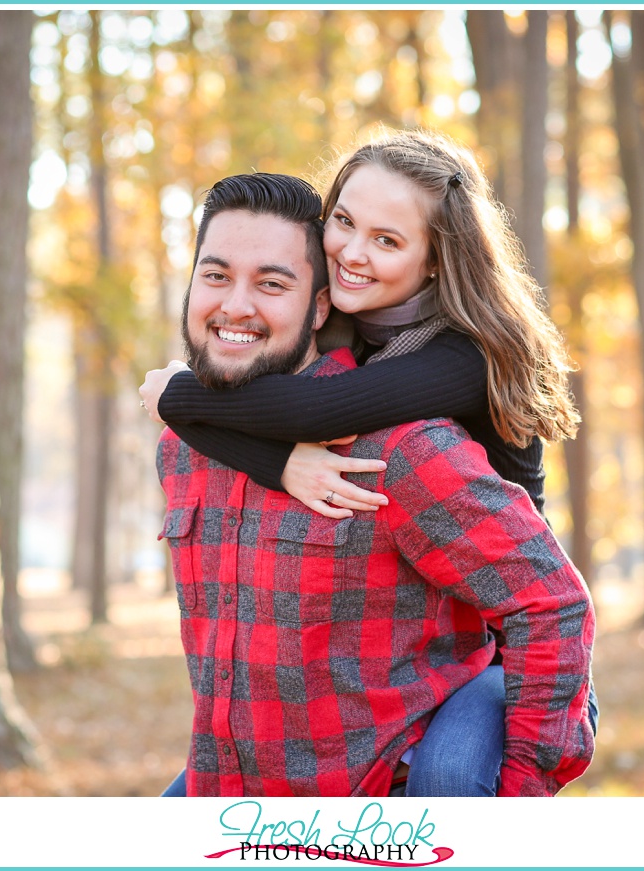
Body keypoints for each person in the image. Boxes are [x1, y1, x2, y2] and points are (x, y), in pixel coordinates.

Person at [140, 129, 596, 796]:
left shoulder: (457, 361)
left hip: (505, 656)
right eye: (345, 223)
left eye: (387, 240)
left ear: (436, 259)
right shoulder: (345, 320)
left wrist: (178, 394)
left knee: (449, 774)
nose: (352, 252)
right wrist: (277, 462)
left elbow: (319, 413)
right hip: (296, 751)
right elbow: (286, 394)